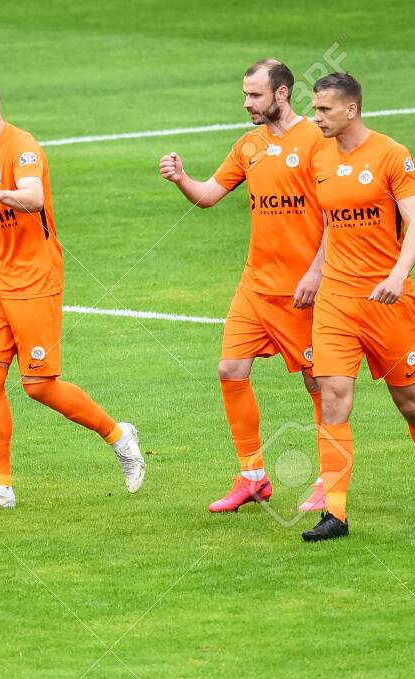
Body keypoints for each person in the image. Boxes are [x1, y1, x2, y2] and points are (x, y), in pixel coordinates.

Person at [0, 73, 145, 512]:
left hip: (34, 280)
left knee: (38, 385)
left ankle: (118, 435)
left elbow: (33, 198)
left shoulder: (24, 147)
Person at [160, 59, 327, 513]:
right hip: (255, 286)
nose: (246, 103)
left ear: (282, 93)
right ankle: (253, 476)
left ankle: (329, 481)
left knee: (319, 384)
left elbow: (337, 210)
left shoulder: (316, 140)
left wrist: (316, 270)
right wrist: (182, 180)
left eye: (254, 95)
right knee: (230, 371)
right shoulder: (248, 146)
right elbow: (209, 195)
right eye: (245, 95)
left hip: (303, 291)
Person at [303, 72, 415, 542]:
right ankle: (336, 515)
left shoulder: (391, 154)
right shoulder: (320, 155)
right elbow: (334, 221)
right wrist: (315, 269)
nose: (316, 116)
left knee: (410, 404)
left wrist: (396, 275)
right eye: (315, 107)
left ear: (351, 110)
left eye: (324, 109)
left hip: (388, 303)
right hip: (336, 302)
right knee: (332, 398)